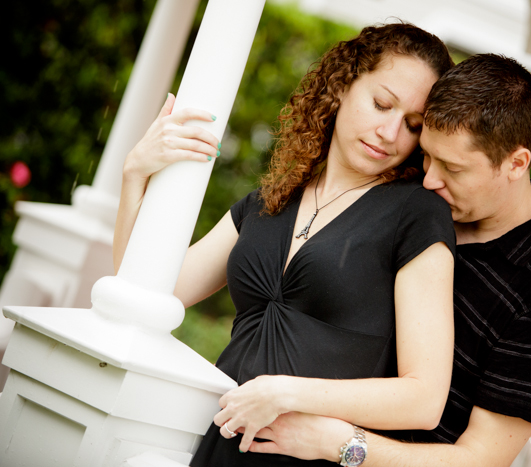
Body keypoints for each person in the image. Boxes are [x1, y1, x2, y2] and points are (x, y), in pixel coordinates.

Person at [113, 23, 458, 466]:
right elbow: (146, 289)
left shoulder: (416, 214)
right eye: (381, 104)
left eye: (412, 125)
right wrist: (134, 175)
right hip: (219, 447)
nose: (390, 133)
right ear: (343, 85)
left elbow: (424, 399)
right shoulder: (273, 198)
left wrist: (286, 392)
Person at [244, 54, 531, 466]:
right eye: (427, 155)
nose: (429, 178)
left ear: (516, 163)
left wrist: (340, 446)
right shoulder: (412, 188)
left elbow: (480, 460)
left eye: (453, 168)